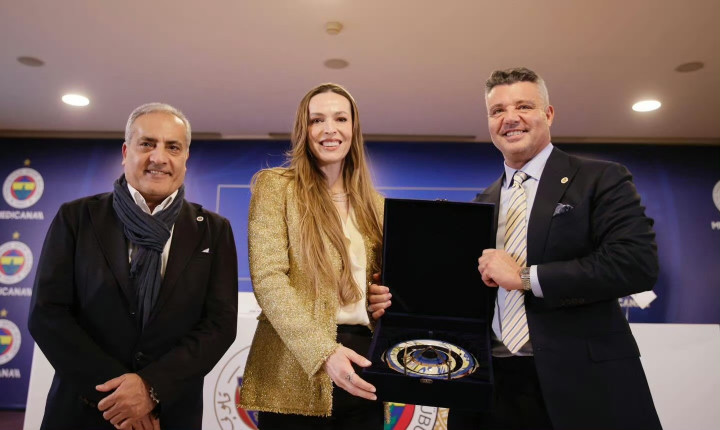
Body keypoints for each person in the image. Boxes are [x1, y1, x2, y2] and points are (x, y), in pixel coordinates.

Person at [370, 67, 662, 430]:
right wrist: (399, 298)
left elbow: (636, 263)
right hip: (491, 386)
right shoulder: (481, 203)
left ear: (548, 114)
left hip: (582, 384)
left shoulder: (600, 178)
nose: (510, 118)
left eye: (524, 106)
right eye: (498, 111)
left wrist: (525, 277)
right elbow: (462, 297)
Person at [28, 103, 239, 430]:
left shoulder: (214, 230)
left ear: (185, 158)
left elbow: (219, 325)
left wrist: (151, 389)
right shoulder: (76, 218)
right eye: (147, 144)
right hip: (84, 411)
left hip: (168, 415)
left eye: (173, 147)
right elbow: (47, 314)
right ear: (126, 152)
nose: (159, 157)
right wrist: (122, 396)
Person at [239, 83, 386, 429]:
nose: (329, 129)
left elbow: (381, 289)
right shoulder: (276, 187)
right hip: (293, 367)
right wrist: (323, 352)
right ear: (303, 130)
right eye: (317, 120)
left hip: (363, 364)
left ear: (354, 129)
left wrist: (383, 299)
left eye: (340, 119)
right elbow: (269, 280)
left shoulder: (377, 206)